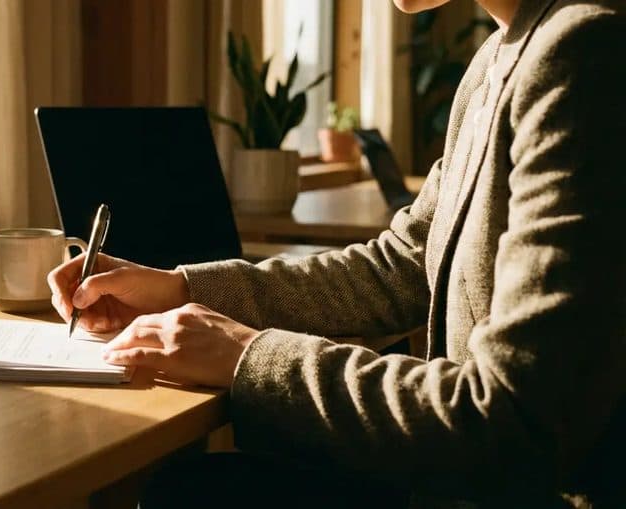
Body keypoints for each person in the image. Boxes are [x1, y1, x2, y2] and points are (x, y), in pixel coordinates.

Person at [47, 0, 625, 507]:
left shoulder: (582, 54)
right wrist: (182, 289)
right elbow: (400, 266)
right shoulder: (498, 59)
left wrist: (250, 355)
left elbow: (511, 422)